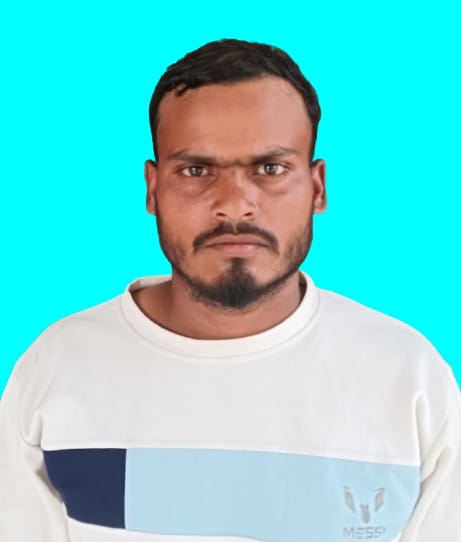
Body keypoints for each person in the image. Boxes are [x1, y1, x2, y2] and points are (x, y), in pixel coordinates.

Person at [0, 39, 459, 542]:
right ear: (153, 188)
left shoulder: (409, 378)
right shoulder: (57, 368)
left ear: (317, 187)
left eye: (270, 169)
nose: (235, 205)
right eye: (196, 170)